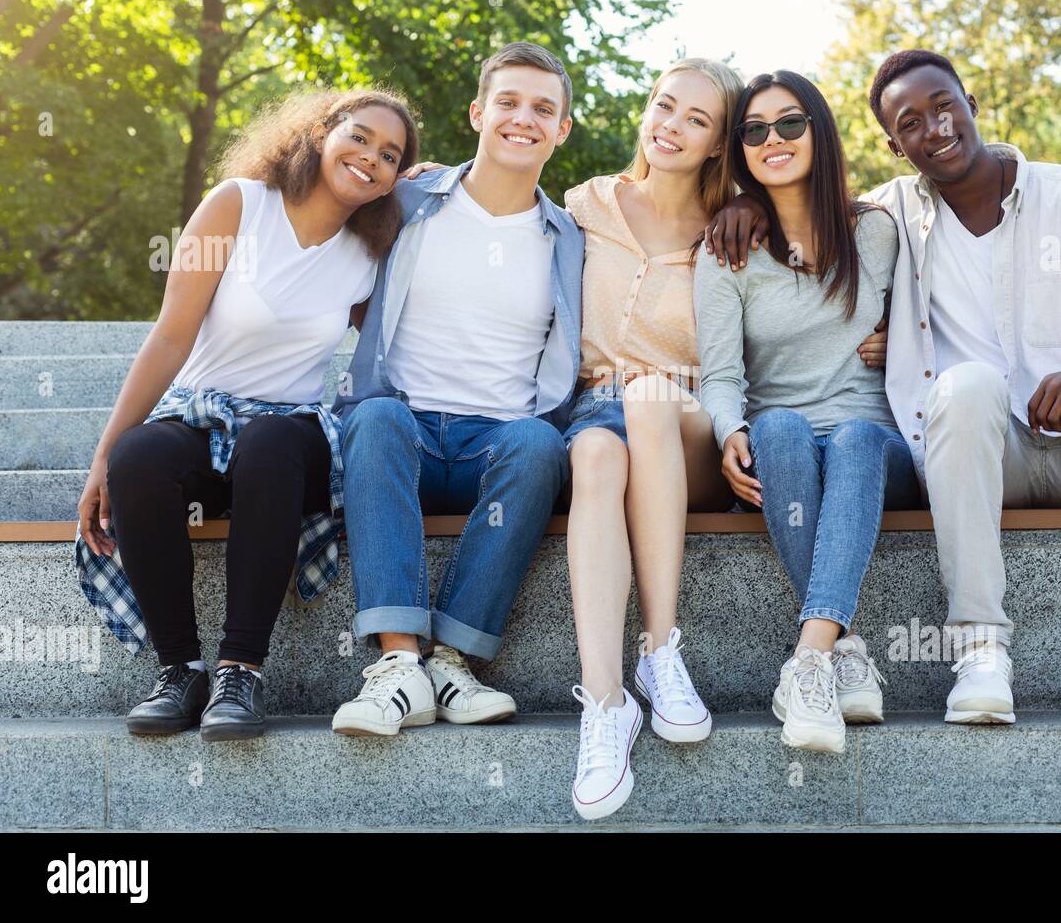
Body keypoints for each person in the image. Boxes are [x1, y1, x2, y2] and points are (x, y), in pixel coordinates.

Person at [709, 49, 1061, 726]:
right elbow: (810, 206)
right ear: (895, 145)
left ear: (970, 106)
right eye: (911, 122)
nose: (935, 128)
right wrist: (745, 206)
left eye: (943, 106)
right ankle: (980, 649)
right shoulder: (891, 220)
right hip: (982, 456)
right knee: (968, 384)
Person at [75, 88, 417, 741]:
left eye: (390, 156)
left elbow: (389, 356)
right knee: (138, 458)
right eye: (360, 136)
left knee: (269, 439)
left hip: (289, 444)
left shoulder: (369, 252)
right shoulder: (237, 205)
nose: (370, 157)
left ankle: (241, 672)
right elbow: (171, 337)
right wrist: (103, 456)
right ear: (322, 132)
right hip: (203, 418)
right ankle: (181, 670)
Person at [329, 42, 584, 736]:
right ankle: (399, 667)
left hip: (495, 446)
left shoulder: (570, 238)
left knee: (540, 443)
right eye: (507, 102)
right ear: (478, 111)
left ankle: (453, 661)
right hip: (403, 430)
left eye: (542, 109)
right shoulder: (407, 198)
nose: (521, 119)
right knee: (373, 418)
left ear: (562, 130)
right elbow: (313, 205)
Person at [695, 71, 921, 755]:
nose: (774, 139)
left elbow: (931, 320)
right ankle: (836, 653)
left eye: (791, 123)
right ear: (741, 149)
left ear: (819, 133)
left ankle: (808, 660)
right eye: (755, 130)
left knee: (853, 436)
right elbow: (721, 373)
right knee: (779, 426)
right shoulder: (727, 249)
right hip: (782, 451)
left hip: (876, 448)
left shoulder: (875, 231)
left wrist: (903, 346)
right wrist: (728, 431)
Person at [558, 58, 741, 821]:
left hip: (689, 422)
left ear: (716, 143)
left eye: (696, 120)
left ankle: (661, 649)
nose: (671, 126)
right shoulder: (587, 203)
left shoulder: (733, 227)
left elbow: (826, 233)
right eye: (666, 107)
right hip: (595, 410)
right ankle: (605, 706)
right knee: (598, 452)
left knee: (651, 393)